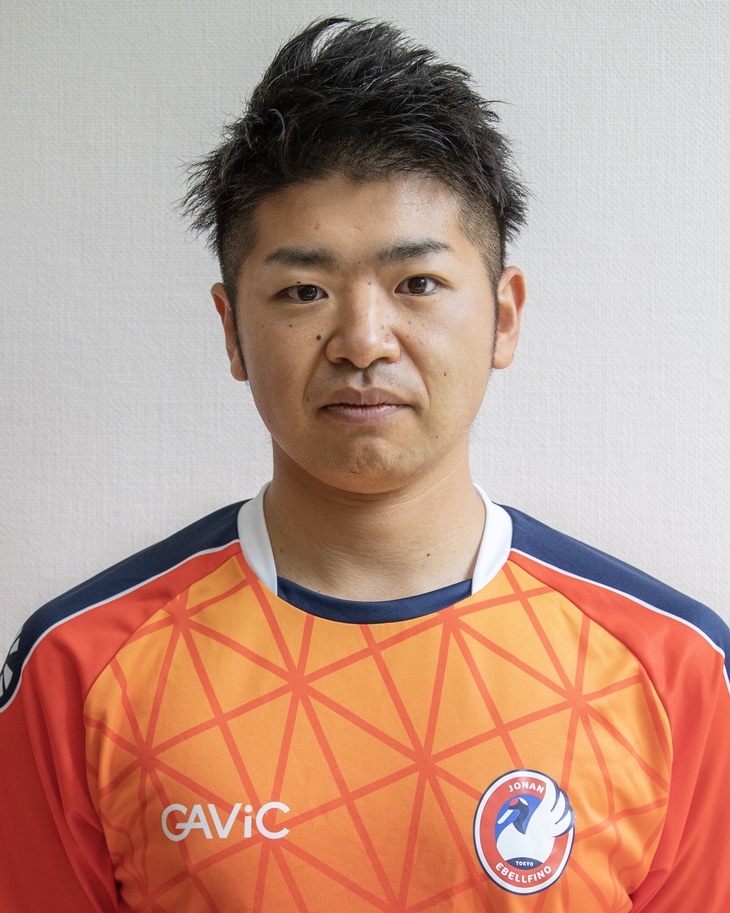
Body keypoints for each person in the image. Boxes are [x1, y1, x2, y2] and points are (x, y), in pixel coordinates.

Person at [1, 16, 728, 913]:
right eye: (304, 290)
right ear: (232, 330)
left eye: (417, 283)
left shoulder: (675, 671)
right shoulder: (76, 668)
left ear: (504, 317)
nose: (362, 340)